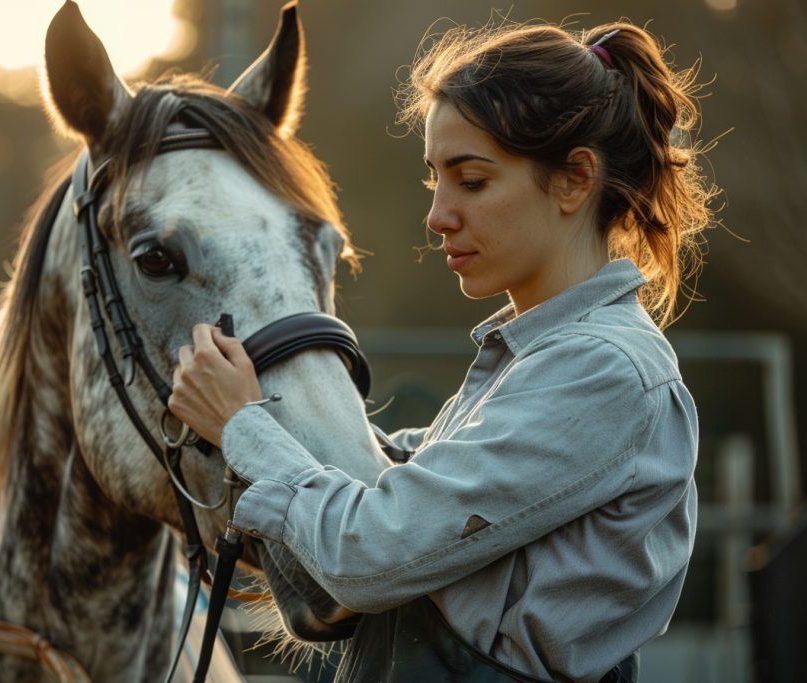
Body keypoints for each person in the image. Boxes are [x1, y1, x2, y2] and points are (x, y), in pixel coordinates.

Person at [169, 16, 716, 683]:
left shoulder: (603, 370)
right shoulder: (536, 357)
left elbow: (374, 552)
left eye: (472, 180)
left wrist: (244, 425)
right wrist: (287, 413)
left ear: (575, 179)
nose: (437, 214)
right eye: (435, 177)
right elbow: (403, 482)